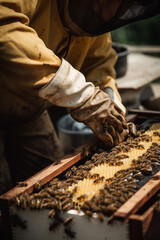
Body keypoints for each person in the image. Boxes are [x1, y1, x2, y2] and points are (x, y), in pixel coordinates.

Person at [0, 0, 159, 195]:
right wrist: (80, 94)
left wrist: (108, 97)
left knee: (52, 188)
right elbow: (4, 25)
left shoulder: (96, 21)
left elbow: (98, 61)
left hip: (30, 109)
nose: (110, 16)